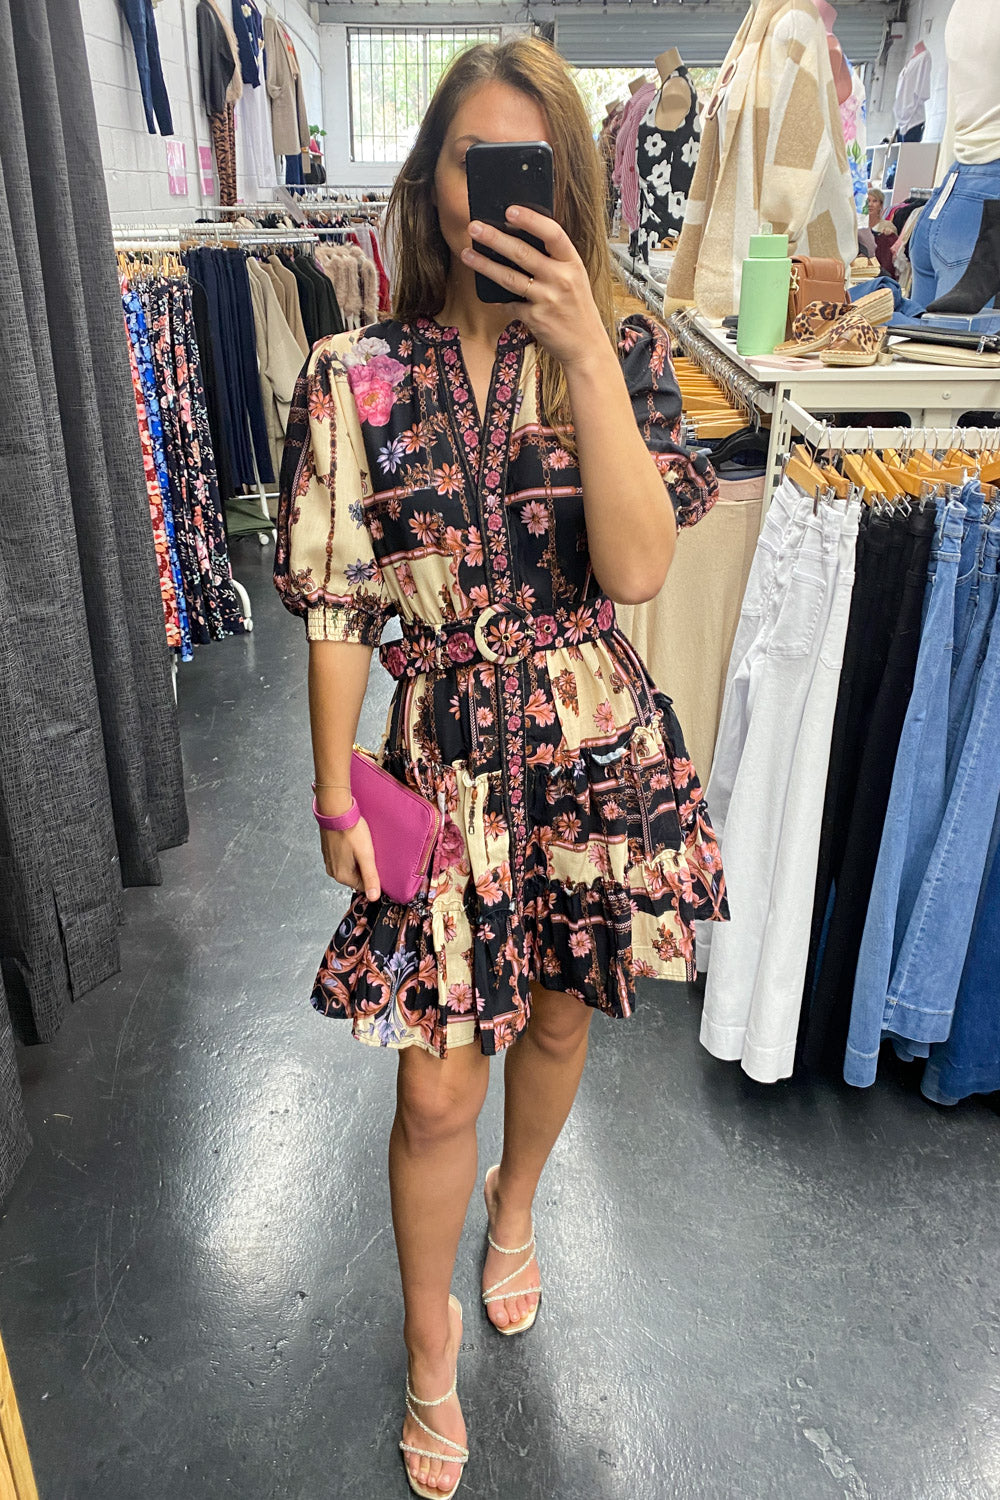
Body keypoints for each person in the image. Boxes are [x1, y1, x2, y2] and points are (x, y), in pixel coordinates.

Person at [273, 37, 728, 1500]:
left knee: (559, 1020)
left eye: (524, 162)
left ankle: (517, 1207)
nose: (495, 191)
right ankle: (429, 1342)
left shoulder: (623, 355)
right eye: (471, 159)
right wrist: (333, 789)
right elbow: (339, 603)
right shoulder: (354, 376)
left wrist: (586, 349)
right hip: (440, 762)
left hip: (589, 746)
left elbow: (638, 566)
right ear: (432, 183)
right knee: (430, 1092)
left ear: (572, 188)